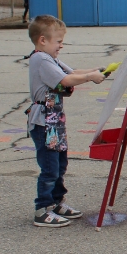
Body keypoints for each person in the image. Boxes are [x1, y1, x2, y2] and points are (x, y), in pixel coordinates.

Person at [25, 15, 105, 227]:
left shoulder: (49, 58)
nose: (61, 45)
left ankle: (56, 202)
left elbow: (72, 72)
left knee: (60, 164)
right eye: (58, 41)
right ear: (43, 40)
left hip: (54, 121)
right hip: (44, 123)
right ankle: (42, 209)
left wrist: (95, 71)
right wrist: (90, 77)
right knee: (50, 167)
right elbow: (66, 80)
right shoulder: (40, 59)